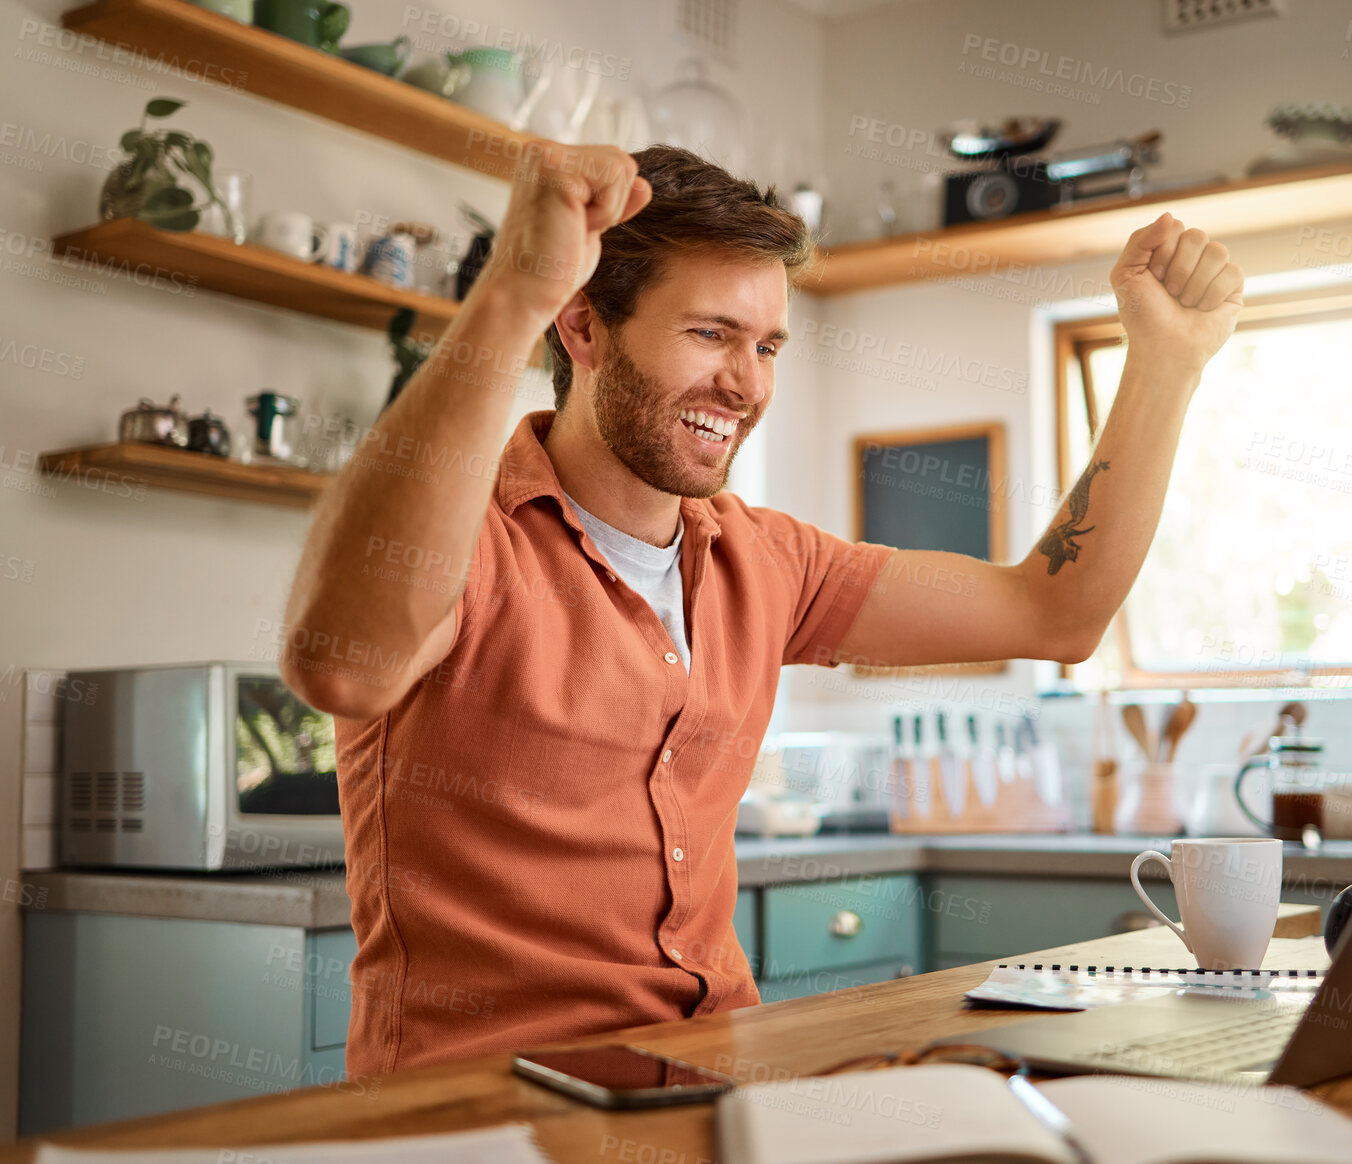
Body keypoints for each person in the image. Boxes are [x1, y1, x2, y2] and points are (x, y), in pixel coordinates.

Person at [280, 142, 1245, 1076]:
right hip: (486, 1117)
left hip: (716, 1088)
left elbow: (1054, 613)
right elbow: (343, 666)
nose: (745, 385)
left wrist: (1166, 361)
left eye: (766, 344)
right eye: (709, 334)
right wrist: (512, 291)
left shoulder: (766, 560)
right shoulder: (472, 542)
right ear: (581, 327)